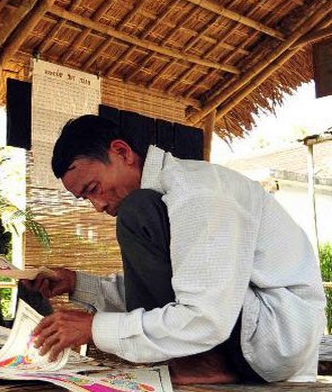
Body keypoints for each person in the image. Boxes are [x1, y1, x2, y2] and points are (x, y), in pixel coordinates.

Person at [24, 114, 325, 385]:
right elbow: (175, 286)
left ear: (121, 152)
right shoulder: (170, 197)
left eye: (93, 189)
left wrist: (96, 328)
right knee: (140, 212)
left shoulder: (198, 194)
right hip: (250, 328)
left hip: (275, 338)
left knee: (137, 212)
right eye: (86, 199)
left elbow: (207, 315)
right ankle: (201, 359)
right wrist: (77, 284)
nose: (99, 205)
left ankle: (205, 362)